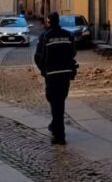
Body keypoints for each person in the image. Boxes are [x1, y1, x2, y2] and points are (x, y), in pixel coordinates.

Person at [35, 12, 78, 146]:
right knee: (60, 101)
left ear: (48, 21)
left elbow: (39, 56)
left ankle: (59, 135)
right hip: (65, 74)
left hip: (52, 74)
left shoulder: (45, 36)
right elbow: (73, 52)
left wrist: (43, 69)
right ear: (59, 21)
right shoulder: (68, 35)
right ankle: (55, 126)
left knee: (55, 103)